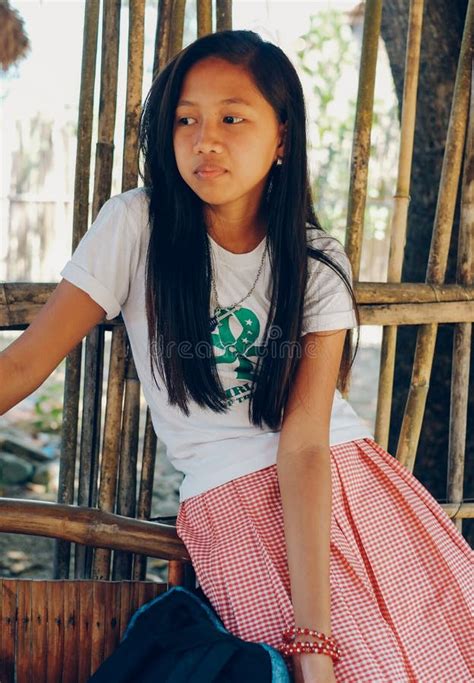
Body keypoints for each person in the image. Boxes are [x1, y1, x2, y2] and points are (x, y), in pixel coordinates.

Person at [0, 29, 472, 683]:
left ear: (282, 138)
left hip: (353, 488)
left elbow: (305, 443)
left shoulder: (315, 261)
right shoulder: (135, 225)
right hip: (235, 508)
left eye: (232, 118)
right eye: (185, 119)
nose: (205, 139)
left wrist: (313, 637)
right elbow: (24, 363)